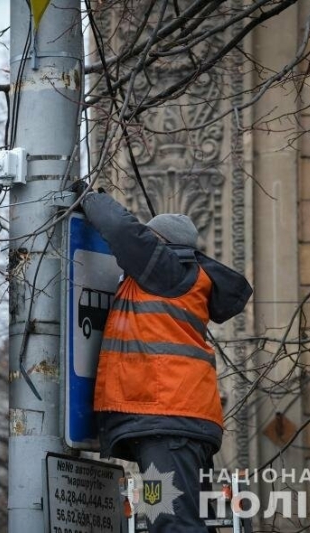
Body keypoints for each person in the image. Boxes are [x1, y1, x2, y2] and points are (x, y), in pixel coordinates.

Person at [71, 182, 252, 533]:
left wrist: (90, 198)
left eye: (150, 242)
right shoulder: (175, 278)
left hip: (168, 420)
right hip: (173, 425)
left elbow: (123, 230)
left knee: (169, 523)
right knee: (171, 518)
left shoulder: (167, 268)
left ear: (163, 245)